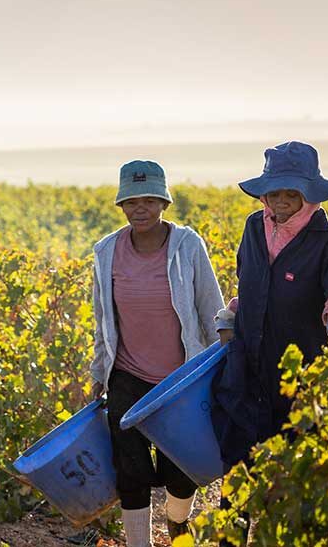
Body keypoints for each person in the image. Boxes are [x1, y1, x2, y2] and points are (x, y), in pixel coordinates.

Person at [211, 141, 328, 545]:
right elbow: (251, 287)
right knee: (237, 477)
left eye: (291, 193)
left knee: (296, 484)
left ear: (309, 195)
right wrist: (230, 318)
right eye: (274, 192)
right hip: (247, 372)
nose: (280, 201)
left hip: (299, 383)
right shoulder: (251, 227)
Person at [90, 160, 225, 546]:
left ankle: (177, 523)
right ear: (121, 206)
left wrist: (217, 371)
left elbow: (211, 309)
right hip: (127, 375)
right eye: (132, 202)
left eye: (150, 200)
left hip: (181, 378)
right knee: (129, 468)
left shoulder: (187, 246)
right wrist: (99, 374)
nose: (141, 209)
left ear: (164, 203)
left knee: (180, 471)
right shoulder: (106, 252)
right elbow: (103, 321)